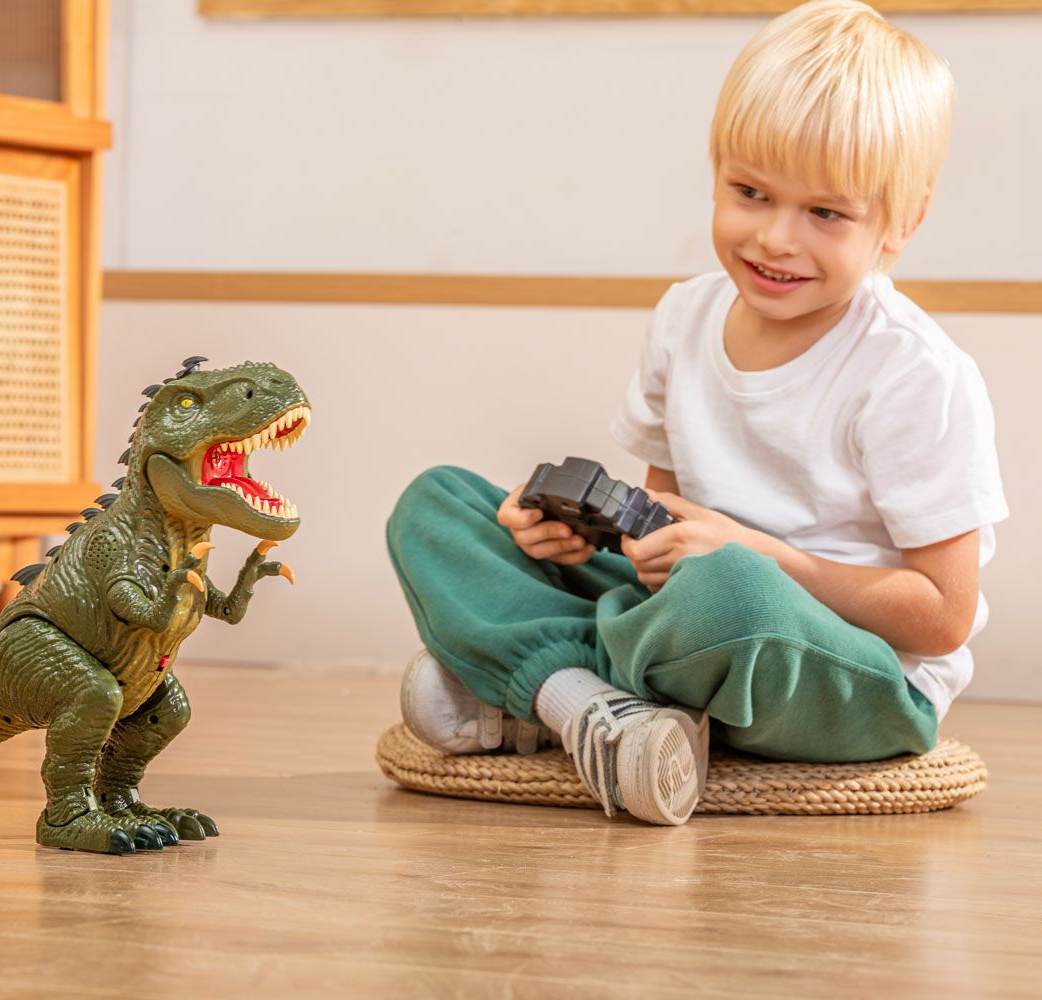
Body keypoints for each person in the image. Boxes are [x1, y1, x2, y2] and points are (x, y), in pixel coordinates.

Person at [385, 0, 1007, 826]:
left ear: (902, 222)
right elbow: (655, 543)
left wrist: (761, 555)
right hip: (685, 620)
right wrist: (568, 535)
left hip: (848, 669)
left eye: (826, 213)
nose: (777, 238)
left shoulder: (911, 374)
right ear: (714, 170)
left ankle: (536, 688)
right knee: (440, 506)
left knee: (727, 596)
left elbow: (942, 616)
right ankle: (596, 706)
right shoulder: (684, 320)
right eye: (749, 192)